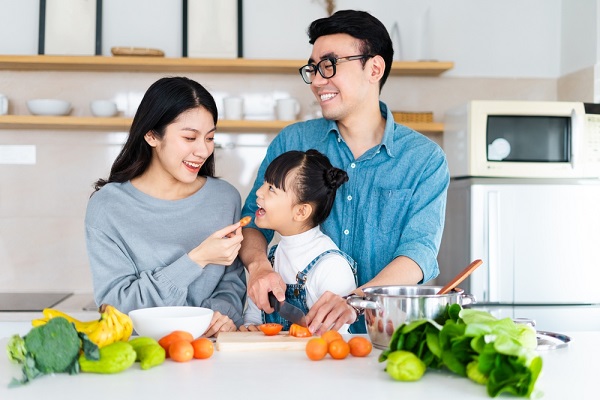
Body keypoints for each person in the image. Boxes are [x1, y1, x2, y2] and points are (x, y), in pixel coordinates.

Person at [239, 10, 450, 335]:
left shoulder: (424, 159)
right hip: (299, 346)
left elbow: (418, 252)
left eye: (329, 65)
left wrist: (356, 299)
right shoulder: (293, 141)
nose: (318, 80)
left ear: (374, 68)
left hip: (386, 336)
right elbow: (253, 220)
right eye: (313, 68)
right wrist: (257, 267)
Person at [85, 76, 247, 337]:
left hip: (210, 353)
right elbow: (115, 308)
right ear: (151, 135)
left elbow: (232, 283)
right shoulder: (108, 207)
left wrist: (221, 315)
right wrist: (197, 259)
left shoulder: (225, 198)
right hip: (140, 358)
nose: (203, 151)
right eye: (189, 137)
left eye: (209, 138)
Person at [240, 149, 357, 332]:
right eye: (264, 183)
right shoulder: (270, 260)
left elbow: (335, 343)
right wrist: (249, 329)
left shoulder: (331, 267)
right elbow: (253, 318)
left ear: (301, 212)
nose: (259, 192)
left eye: (271, 189)